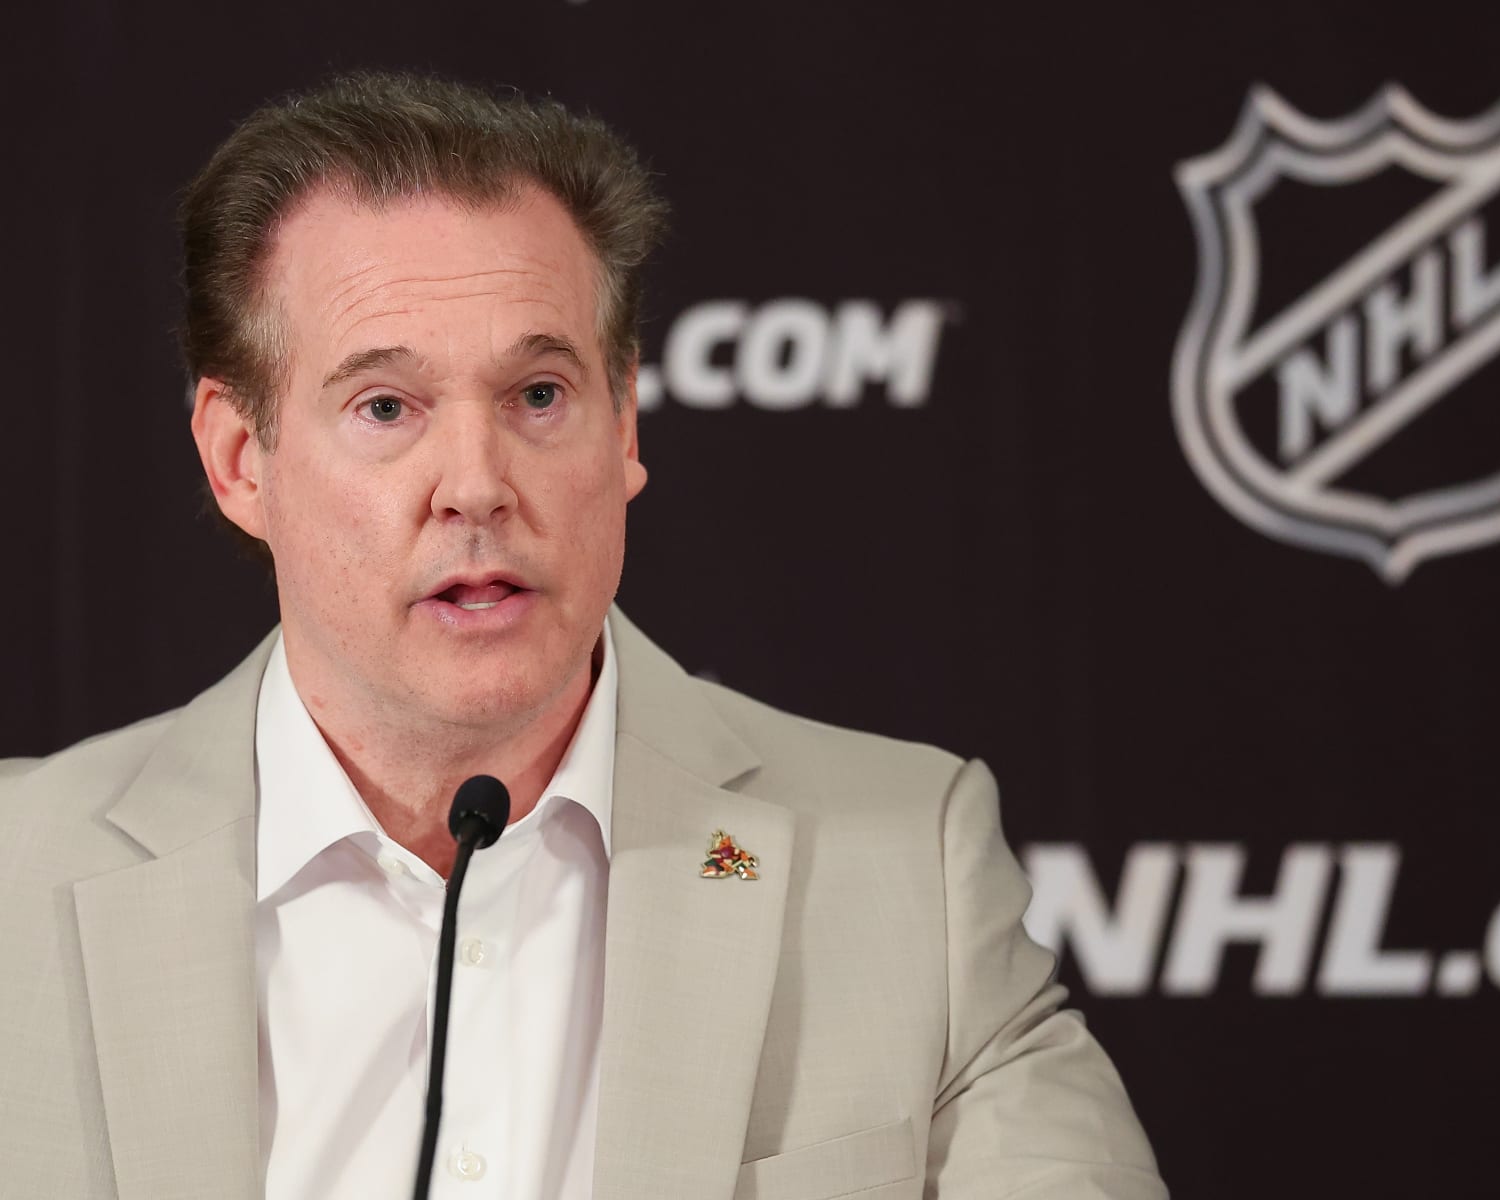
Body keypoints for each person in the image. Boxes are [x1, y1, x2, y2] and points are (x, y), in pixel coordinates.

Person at [0, 72, 1164, 1200]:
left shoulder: (908, 869)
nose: (476, 484)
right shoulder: (19, 882)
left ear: (623, 427)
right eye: (387, 407)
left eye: (539, 395)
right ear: (240, 460)